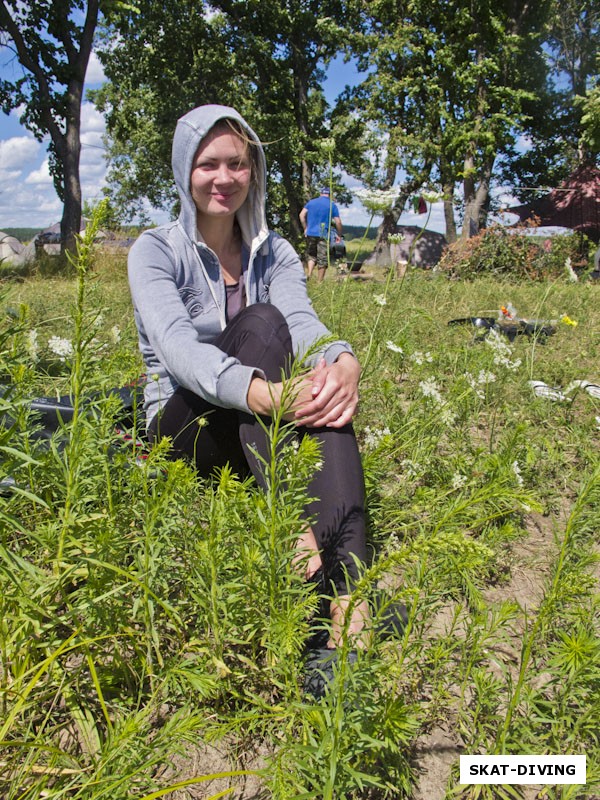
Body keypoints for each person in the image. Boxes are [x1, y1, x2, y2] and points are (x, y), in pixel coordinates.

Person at [127, 105, 370, 679]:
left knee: (322, 388)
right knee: (261, 324)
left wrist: (342, 359)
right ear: (185, 171)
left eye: (237, 163)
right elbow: (179, 349)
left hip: (254, 432)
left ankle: (345, 607)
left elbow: (304, 323)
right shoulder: (155, 251)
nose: (224, 178)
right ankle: (288, 520)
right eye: (208, 163)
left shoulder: (276, 252)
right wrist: (262, 394)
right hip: (185, 430)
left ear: (252, 171)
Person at [299, 188, 343, 282]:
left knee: (312, 254)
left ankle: (309, 274)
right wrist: (339, 235)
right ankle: (319, 281)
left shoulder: (311, 202)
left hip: (311, 233)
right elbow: (338, 222)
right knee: (322, 258)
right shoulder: (332, 205)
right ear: (330, 195)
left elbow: (302, 215)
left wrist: (305, 228)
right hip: (323, 234)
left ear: (320, 194)